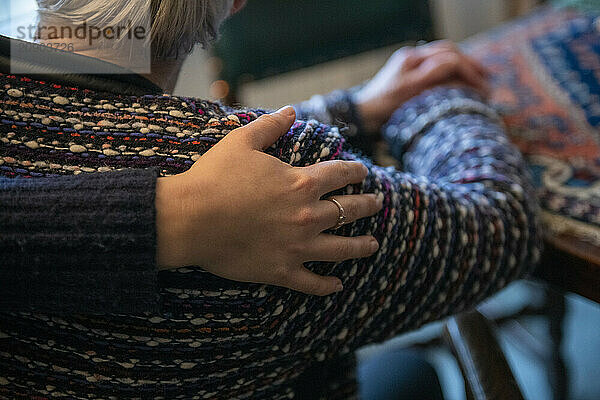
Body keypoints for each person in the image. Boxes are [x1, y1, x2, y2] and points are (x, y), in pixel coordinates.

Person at [0, 0, 541, 398]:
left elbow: (145, 147)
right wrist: (443, 98)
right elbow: (499, 227)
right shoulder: (269, 202)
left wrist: (352, 110)